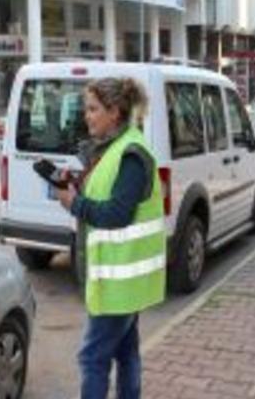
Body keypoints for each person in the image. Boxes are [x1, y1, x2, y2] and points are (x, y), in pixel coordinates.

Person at [54, 77, 165, 399]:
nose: (86, 116)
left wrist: (74, 203)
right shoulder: (115, 149)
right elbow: (108, 195)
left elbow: (116, 214)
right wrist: (78, 187)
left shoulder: (130, 153)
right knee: (125, 352)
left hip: (118, 282)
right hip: (119, 279)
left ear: (114, 112)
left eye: (93, 109)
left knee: (92, 357)